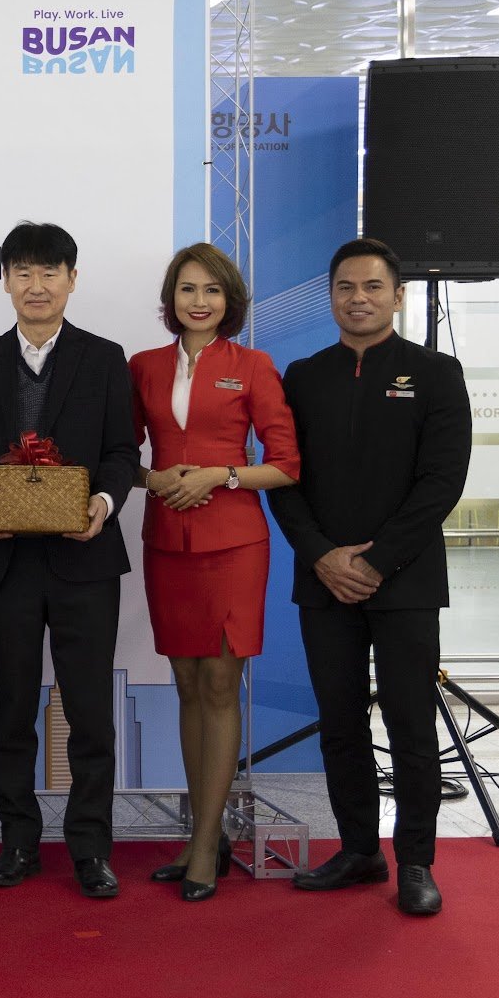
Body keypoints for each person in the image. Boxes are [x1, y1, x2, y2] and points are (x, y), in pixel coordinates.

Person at [268, 238, 470, 917]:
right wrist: (324, 556)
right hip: (323, 581)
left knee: (413, 723)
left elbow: (441, 483)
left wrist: (377, 560)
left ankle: (415, 861)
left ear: (397, 294)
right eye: (345, 287)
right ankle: (358, 850)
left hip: (406, 581)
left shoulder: (437, 373)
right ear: (330, 296)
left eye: (373, 287)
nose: (359, 299)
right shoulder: (302, 375)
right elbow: (284, 479)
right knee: (340, 722)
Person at [0, 221, 136, 899]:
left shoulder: (104, 357)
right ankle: (18, 842)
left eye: (50, 272)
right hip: (7, 565)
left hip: (85, 559)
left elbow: (121, 452)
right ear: (5, 280)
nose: (36, 286)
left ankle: (90, 848)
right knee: (12, 708)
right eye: (23, 272)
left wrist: (105, 503)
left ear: (72, 280)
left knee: (88, 712)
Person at [128, 243, 299, 902]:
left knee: (222, 686)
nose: (199, 301)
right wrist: (154, 478)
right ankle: (207, 834)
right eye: (187, 289)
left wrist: (219, 475)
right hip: (166, 539)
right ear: (171, 299)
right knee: (189, 686)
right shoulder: (141, 366)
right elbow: (121, 456)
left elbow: (284, 463)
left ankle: (203, 844)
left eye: (213, 291)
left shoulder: (252, 366)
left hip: (233, 542)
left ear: (231, 301)